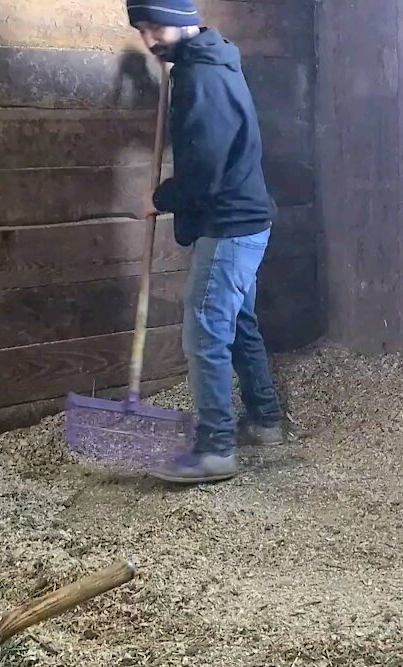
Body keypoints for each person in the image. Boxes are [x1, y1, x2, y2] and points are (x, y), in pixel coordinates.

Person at [128, 0, 285, 483]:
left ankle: (216, 447)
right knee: (237, 322)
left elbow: (206, 167)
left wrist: (162, 196)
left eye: (154, 26)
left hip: (229, 224)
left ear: (177, 22)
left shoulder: (201, 78)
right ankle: (264, 419)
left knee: (204, 328)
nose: (149, 38)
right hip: (248, 219)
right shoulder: (211, 61)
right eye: (142, 29)